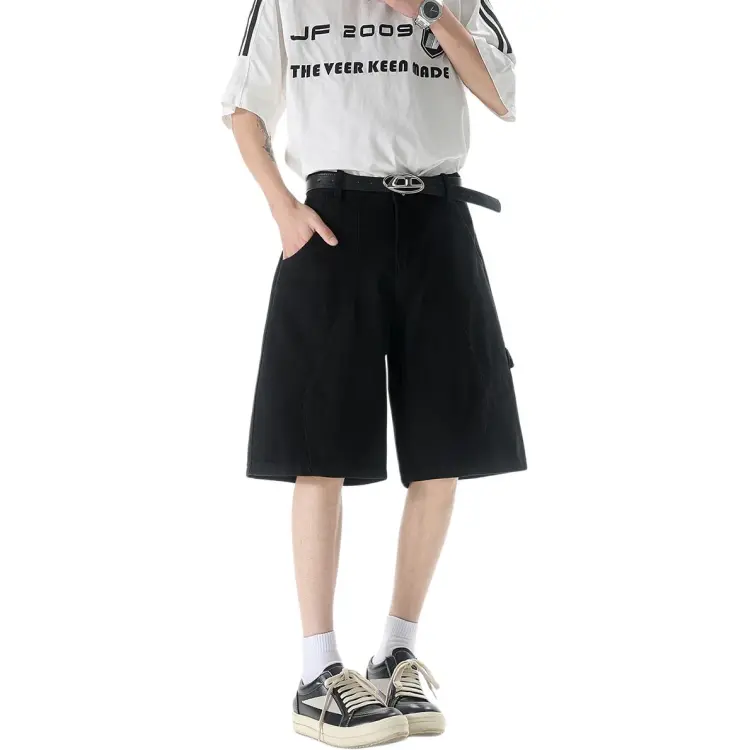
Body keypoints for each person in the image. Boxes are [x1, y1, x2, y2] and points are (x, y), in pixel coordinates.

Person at [222, 0, 525, 745]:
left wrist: (427, 11)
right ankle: (317, 672)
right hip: (331, 223)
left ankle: (395, 652)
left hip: (437, 221)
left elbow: (501, 96)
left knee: (444, 446)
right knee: (317, 448)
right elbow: (243, 108)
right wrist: (282, 207)